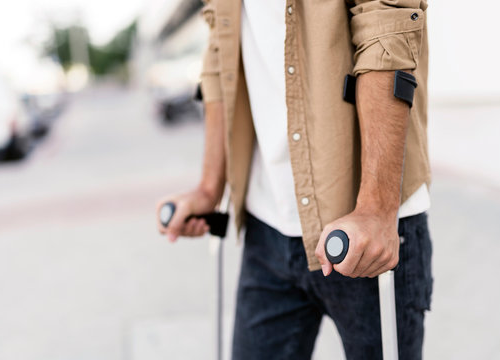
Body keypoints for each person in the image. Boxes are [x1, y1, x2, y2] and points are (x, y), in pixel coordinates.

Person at [156, 0, 433, 358]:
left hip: (365, 233)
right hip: (266, 224)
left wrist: (376, 208)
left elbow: (386, 25)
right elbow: (219, 48)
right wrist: (210, 187)